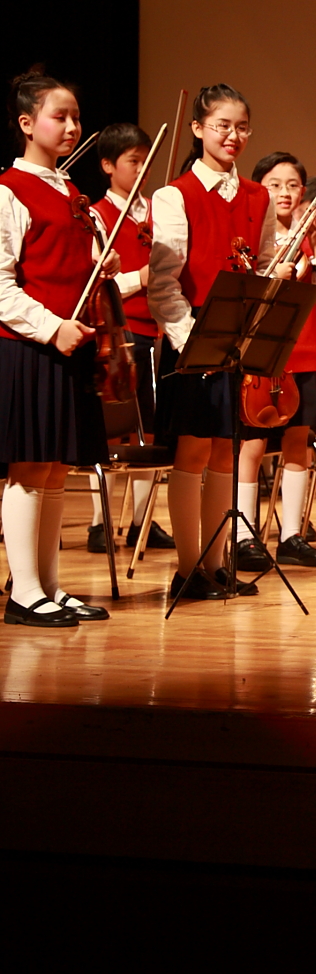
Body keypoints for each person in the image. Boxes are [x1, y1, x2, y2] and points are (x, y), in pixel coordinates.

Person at [147, 82, 277, 601]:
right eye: (222, 125)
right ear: (198, 128)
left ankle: (217, 565)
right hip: (194, 334)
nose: (233, 136)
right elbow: (164, 283)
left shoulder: (259, 196)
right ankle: (187, 569)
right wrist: (192, 341)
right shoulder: (173, 195)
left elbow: (264, 264)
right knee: (194, 448)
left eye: (242, 127)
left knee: (228, 449)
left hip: (240, 336)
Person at [0, 69, 110, 627]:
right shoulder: (8, 189)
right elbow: (1, 285)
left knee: (55, 470)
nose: (71, 126)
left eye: (76, 117)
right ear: (27, 123)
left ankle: (47, 585)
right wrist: (51, 327)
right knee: (28, 468)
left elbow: (64, 263)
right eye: (58, 116)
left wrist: (99, 264)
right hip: (31, 346)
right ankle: (23, 593)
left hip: (71, 345)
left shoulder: (70, 191)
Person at [233, 150, 316, 571]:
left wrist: (313, 259)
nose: (285, 193)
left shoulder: (311, 235)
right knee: (254, 441)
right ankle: (244, 537)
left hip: (305, 347)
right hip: (262, 350)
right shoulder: (250, 233)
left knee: (299, 439)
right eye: (275, 184)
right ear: (259, 188)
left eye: (293, 185)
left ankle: (292, 535)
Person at [85, 121, 175, 556]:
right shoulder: (97, 215)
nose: (141, 170)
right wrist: (141, 276)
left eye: (146, 162)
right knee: (112, 431)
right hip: (120, 332)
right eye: (133, 161)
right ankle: (99, 521)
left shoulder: (157, 212)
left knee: (149, 432)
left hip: (158, 331)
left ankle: (142, 520)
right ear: (108, 165)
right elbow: (98, 286)